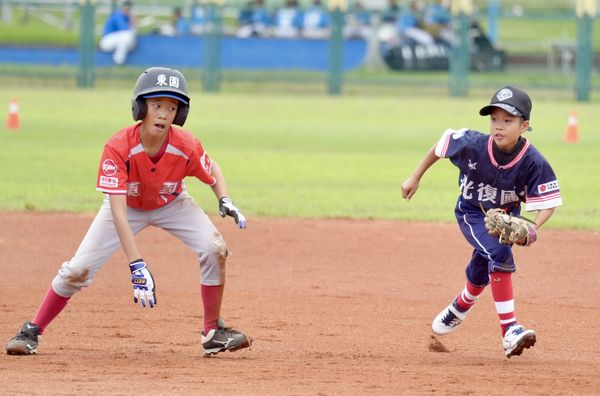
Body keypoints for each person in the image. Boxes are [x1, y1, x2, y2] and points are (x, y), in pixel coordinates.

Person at [5, 67, 252, 357]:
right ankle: (32, 330)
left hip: (172, 203)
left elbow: (212, 168)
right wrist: (137, 264)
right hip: (126, 207)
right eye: (156, 104)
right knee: (78, 270)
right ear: (141, 108)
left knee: (214, 248)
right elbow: (118, 212)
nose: (163, 113)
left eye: (172, 107)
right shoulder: (119, 146)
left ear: (179, 114)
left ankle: (213, 332)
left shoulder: (185, 144)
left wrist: (224, 199)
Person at [401, 86, 562, 358]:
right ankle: (509, 330)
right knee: (499, 252)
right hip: (472, 212)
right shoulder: (473, 144)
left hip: (504, 220)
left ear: (524, 125)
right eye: (494, 119)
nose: (498, 126)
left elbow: (548, 203)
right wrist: (415, 177)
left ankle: (461, 305)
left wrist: (532, 228)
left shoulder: (533, 161)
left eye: (507, 121)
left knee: (484, 262)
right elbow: (442, 145)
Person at [99, 0, 137, 65]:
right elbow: (124, 29)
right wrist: (131, 20)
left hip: (116, 41)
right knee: (126, 35)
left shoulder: (126, 16)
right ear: (122, 7)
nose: (127, 9)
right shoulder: (118, 14)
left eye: (128, 7)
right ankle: (118, 61)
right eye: (125, 7)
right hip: (107, 41)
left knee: (128, 37)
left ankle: (119, 60)